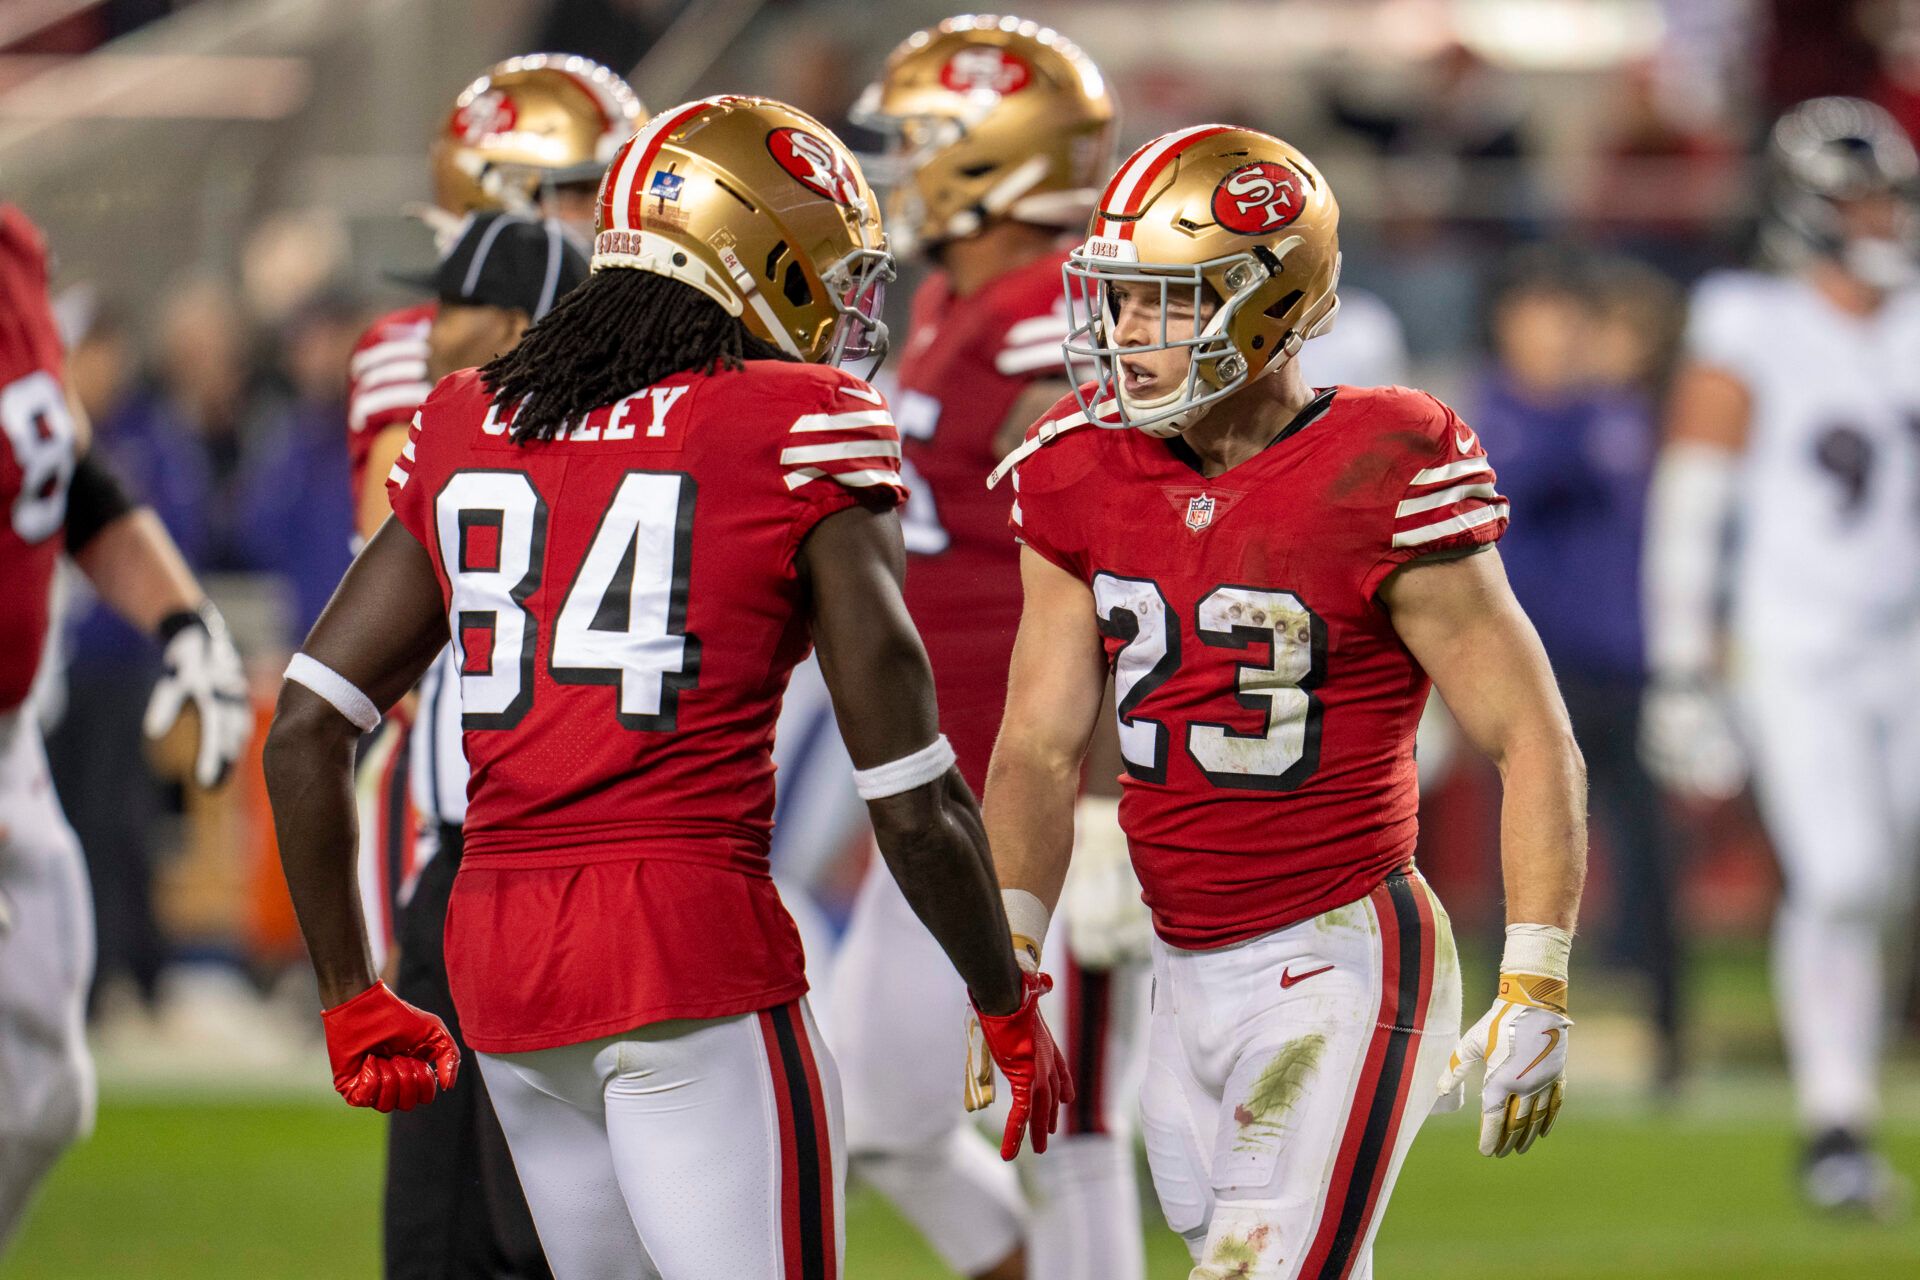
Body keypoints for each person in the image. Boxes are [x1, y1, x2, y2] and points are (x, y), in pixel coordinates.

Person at [263, 96, 1068, 1279]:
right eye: (825, 269)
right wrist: (1002, 993)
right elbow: (907, 789)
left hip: (502, 961)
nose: (847, 308)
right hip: (689, 948)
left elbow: (303, 728)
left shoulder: (475, 413)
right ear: (759, 259)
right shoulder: (799, 423)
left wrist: (347, 989)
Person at [982, 125, 1587, 1277]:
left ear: (1264, 305)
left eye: (1164, 302)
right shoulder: (1076, 466)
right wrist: (1010, 950)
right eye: (1118, 301)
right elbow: (1037, 744)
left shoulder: (1385, 459)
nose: (1124, 335)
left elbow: (1529, 732)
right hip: (1182, 965)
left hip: (1341, 950)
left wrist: (1537, 974)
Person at [832, 18, 1148, 1280]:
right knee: (876, 1119)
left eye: (920, 143)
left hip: (1043, 795)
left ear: (995, 159)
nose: (895, 167)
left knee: (1066, 1125)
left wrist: (1114, 797)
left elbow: (1119, 563)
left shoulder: (1053, 322)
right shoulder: (960, 300)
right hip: (941, 790)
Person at [343, 54, 641, 1280]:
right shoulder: (429, 355)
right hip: (469, 795)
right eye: (578, 189)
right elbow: (387, 569)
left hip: (610, 806)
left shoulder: (663, 345)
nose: (606, 212)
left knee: (570, 1210)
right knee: (464, 1208)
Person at [1641, 96, 1920, 1214]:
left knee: (1887, 878)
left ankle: (1851, 1102)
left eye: (1888, 195)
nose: (1881, 217)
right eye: (1858, 198)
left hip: (1908, 642)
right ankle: (1836, 1121)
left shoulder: (1912, 320)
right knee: (1842, 874)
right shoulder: (1746, 318)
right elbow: (1691, 506)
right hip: (1795, 642)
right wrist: (1680, 661)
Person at [0, 200, 249, 1255]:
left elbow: (73, 484)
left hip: (12, 741)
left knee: (43, 1093)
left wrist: (186, 622)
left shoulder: (13, 252)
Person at [1471, 248, 1684, 1087]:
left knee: (1650, 855)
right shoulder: (1495, 411)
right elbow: (1527, 478)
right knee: (1516, 854)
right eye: (1542, 312)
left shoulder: (1617, 411)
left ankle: (1672, 1034)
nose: (1558, 332)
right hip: (1530, 672)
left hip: (1622, 664)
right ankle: (1505, 1020)